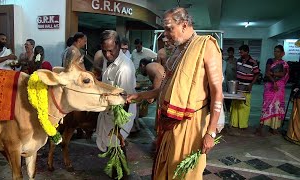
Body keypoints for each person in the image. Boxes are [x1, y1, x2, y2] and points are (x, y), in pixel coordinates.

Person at [127, 7, 223, 180]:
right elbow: (164, 88)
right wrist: (141, 96)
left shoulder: (206, 45)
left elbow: (217, 92)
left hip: (192, 124)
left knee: (184, 174)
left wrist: (211, 132)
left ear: (184, 25)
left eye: (169, 28)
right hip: (169, 123)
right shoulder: (176, 52)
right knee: (166, 169)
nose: (166, 34)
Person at [95, 30, 137, 158]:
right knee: (110, 146)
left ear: (118, 46)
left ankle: (121, 174)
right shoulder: (107, 59)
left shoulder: (124, 68)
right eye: (104, 51)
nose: (107, 55)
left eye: (110, 51)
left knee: (116, 145)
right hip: (108, 112)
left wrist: (119, 128)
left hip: (121, 114)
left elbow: (126, 100)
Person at [257, 45, 289, 135]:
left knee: (277, 106)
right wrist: (274, 81)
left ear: (283, 53)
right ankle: (260, 127)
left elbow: (283, 74)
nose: (276, 53)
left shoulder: (284, 64)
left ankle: (274, 127)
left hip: (279, 88)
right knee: (266, 106)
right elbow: (267, 73)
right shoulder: (270, 60)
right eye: (275, 51)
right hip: (270, 86)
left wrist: (274, 73)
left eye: (278, 51)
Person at [230, 45, 260, 129]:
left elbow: (257, 74)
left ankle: (243, 125)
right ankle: (234, 123)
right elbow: (237, 72)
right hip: (238, 87)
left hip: (246, 88)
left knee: (244, 107)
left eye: (241, 52)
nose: (240, 53)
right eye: (239, 52)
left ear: (247, 52)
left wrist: (251, 84)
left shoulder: (253, 62)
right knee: (236, 106)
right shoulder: (238, 61)